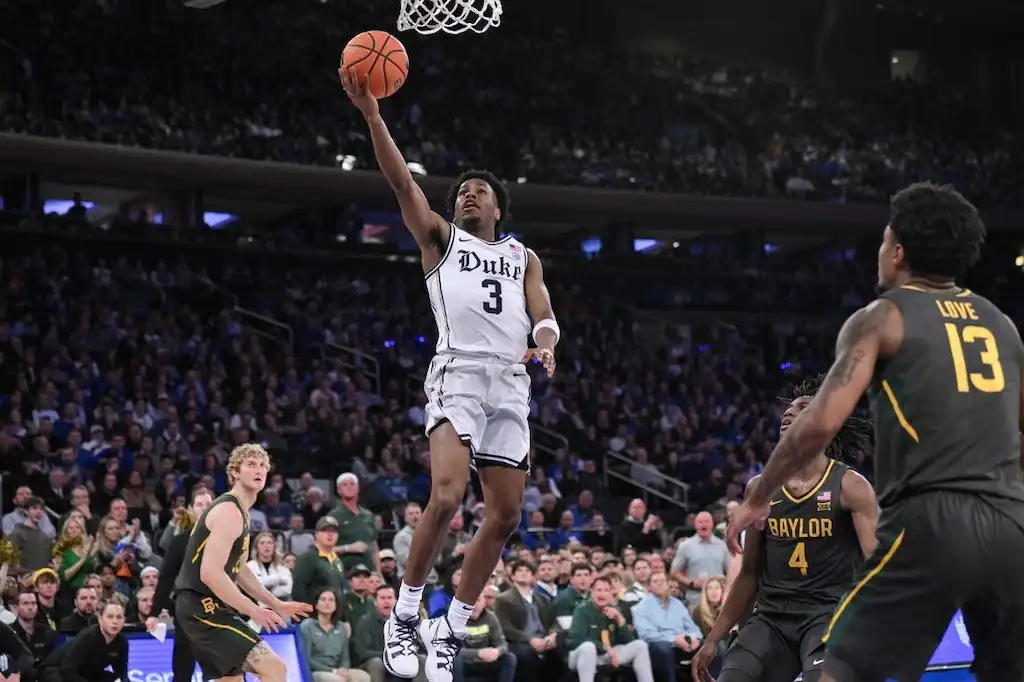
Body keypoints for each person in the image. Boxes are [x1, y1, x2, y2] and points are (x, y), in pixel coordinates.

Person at [726, 181, 1024, 682]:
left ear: (899, 251)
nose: (880, 251)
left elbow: (818, 423)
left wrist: (762, 490)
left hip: (933, 518)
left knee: (839, 670)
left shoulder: (882, 317)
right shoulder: (1001, 324)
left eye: (884, 239)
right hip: (1011, 521)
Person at [340, 65, 560, 682]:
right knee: (446, 495)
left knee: (508, 514)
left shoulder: (523, 256)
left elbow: (542, 315)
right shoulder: (439, 239)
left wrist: (545, 342)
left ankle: (451, 627)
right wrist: (373, 115)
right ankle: (405, 615)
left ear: (497, 206)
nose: (468, 193)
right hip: (459, 371)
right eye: (461, 188)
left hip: (510, 383)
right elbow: (399, 181)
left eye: (479, 190)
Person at [693, 373, 878, 682]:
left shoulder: (850, 486)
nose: (789, 412)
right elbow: (749, 573)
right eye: (788, 409)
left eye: (803, 407)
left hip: (828, 615)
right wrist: (714, 637)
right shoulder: (760, 488)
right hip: (771, 618)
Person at [173, 444, 312, 682]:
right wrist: (254, 610)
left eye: (263, 466)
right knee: (275, 669)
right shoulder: (229, 511)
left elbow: (238, 569)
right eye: (251, 464)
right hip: (201, 607)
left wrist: (274, 603)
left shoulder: (241, 511)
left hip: (202, 606)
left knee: (232, 680)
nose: (259, 470)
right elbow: (210, 574)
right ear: (235, 472)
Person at [149, 487, 213, 682]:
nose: (204, 508)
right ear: (191, 510)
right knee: (183, 668)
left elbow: (239, 577)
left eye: (208, 504)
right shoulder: (179, 543)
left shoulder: (226, 539)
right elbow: (166, 578)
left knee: (227, 670)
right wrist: (154, 612)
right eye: (199, 504)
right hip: (188, 610)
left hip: (219, 610)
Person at [40, 600, 128, 682]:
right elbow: (67, 670)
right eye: (110, 617)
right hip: (56, 670)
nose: (115, 621)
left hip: (86, 672)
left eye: (119, 617)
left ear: (124, 621)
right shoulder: (88, 637)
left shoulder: (122, 641)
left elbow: (121, 673)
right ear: (100, 620)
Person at [298, 587, 371, 682]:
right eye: (323, 599)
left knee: (363, 676)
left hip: (337, 670)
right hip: (316, 671)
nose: (327, 603)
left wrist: (343, 670)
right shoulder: (307, 626)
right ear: (316, 604)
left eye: (331, 600)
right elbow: (306, 659)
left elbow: (345, 659)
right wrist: (333, 671)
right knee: (336, 680)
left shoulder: (341, 627)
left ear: (336, 605)